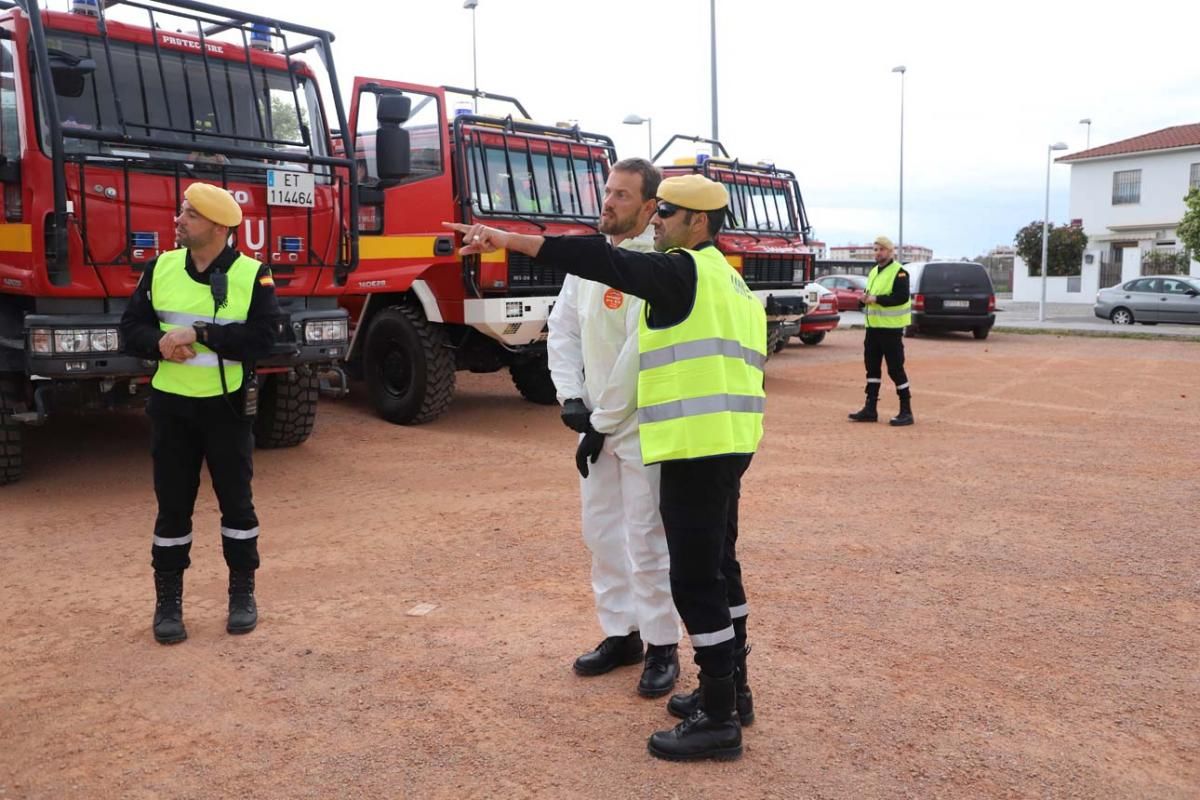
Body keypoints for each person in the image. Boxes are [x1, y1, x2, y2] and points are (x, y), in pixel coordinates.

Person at [444, 173, 765, 762]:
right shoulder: (731, 282)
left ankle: (719, 715)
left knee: (693, 580)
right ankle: (734, 691)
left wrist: (505, 239)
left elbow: (597, 261)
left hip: (689, 443)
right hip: (730, 440)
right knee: (720, 569)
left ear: (698, 222)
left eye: (665, 211)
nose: (657, 220)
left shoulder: (681, 271)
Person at [119, 182, 280, 644]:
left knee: (237, 506)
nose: (179, 218)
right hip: (171, 408)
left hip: (226, 408)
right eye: (182, 211)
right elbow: (130, 327)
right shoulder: (162, 267)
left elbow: (265, 339)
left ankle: (242, 595)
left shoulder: (253, 274)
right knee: (172, 508)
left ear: (216, 225)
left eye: (189, 213)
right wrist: (160, 343)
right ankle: (168, 605)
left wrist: (202, 334)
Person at [547, 158, 681, 699]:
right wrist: (569, 398)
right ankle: (620, 632)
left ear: (650, 208)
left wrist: (598, 421)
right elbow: (562, 329)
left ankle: (662, 644)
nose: (608, 202)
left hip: (643, 426)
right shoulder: (586, 264)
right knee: (600, 531)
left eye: (623, 195)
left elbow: (638, 355)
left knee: (647, 537)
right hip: (598, 424)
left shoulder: (658, 267)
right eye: (607, 191)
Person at [848, 235, 914, 426]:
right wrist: (864, 299)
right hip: (873, 329)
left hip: (891, 330)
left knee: (895, 369)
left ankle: (906, 410)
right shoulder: (874, 272)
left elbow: (901, 298)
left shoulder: (900, 272)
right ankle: (870, 409)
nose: (877, 253)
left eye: (881, 249)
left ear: (890, 251)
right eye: (875, 250)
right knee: (872, 368)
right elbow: (872, 295)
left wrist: (876, 299)